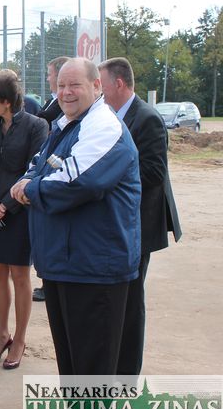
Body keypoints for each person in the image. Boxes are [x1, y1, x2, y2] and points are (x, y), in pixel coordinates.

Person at [10, 58, 141, 375]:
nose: (65, 92)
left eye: (74, 85)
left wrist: (31, 189)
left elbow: (78, 181)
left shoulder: (103, 126)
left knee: (92, 372)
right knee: (72, 367)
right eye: (60, 85)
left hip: (92, 269)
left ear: (97, 86)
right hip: (64, 263)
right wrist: (29, 181)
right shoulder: (67, 124)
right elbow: (38, 164)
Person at [98, 57, 182, 375]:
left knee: (131, 302)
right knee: (117, 301)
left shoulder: (147, 118)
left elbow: (154, 173)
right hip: (118, 224)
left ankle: (127, 375)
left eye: (102, 87)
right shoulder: (111, 117)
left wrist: (109, 181)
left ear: (119, 84)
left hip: (138, 226)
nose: (99, 93)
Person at [0, 71, 48, 370]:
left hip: (19, 211)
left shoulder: (36, 126)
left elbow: (34, 170)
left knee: (20, 275)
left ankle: (20, 339)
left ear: (6, 101)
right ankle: (1, 334)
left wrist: (6, 205)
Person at [31, 55, 70, 302]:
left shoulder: (61, 105)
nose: (48, 78)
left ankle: (51, 282)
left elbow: (42, 120)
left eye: (50, 73)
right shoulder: (52, 101)